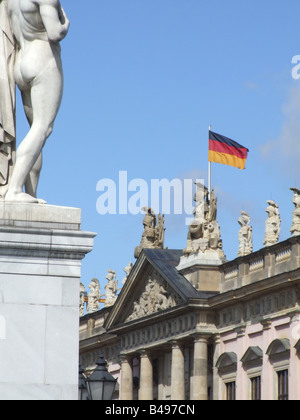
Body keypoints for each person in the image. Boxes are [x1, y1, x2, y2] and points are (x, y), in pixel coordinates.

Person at [4, 0, 69, 203]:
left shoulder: (11, 2)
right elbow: (55, 33)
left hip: (21, 62)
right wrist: (66, 22)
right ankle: (15, 189)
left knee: (36, 130)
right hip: (43, 59)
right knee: (42, 128)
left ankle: (30, 194)